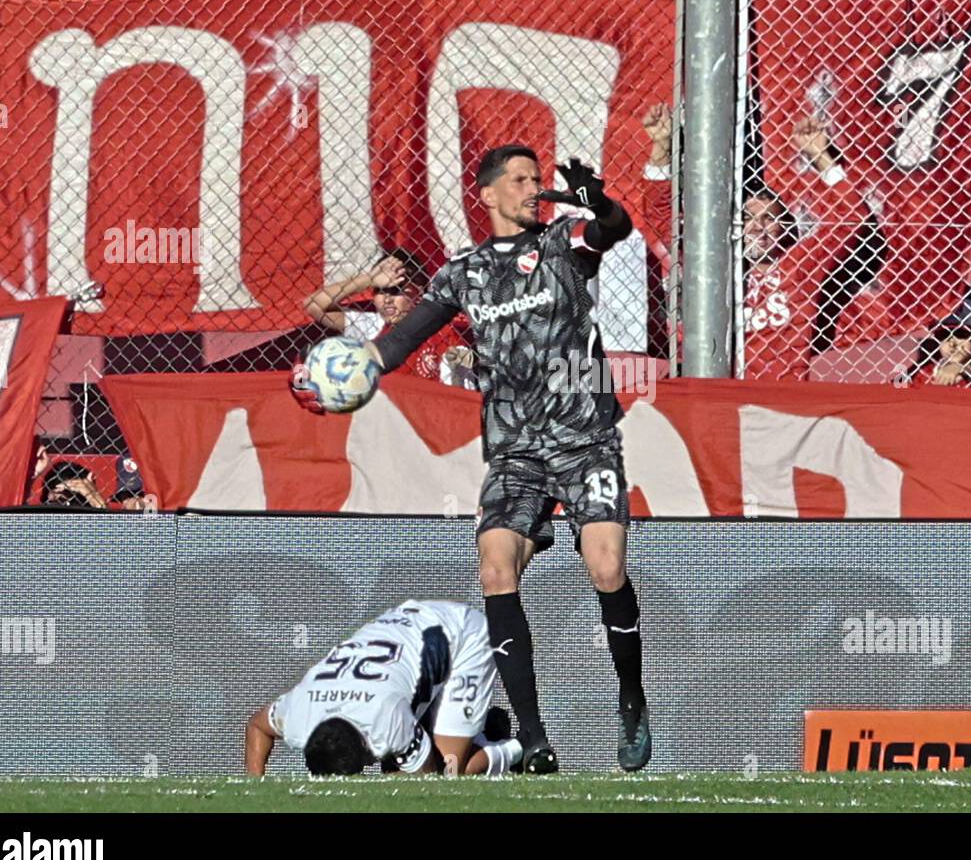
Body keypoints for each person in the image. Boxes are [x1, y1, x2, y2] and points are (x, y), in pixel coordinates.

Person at [290, 145, 651, 774]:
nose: (532, 187)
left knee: (605, 566)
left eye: (536, 179)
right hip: (516, 453)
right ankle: (534, 740)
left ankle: (631, 694)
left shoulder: (565, 242)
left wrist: (602, 203)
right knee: (495, 568)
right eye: (519, 180)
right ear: (486, 194)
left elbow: (612, 229)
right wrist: (361, 369)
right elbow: (404, 335)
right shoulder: (465, 271)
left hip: (584, 437)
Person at [640, 103, 863, 380]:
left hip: (778, 395)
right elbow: (660, 215)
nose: (759, 226)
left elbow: (851, 218)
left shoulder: (799, 266)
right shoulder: (712, 265)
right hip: (712, 389)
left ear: (784, 229)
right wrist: (662, 147)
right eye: (748, 217)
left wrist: (820, 155)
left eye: (770, 218)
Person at [245, 600, 523, 777]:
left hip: (462, 635)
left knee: (450, 769)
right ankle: (482, 730)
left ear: (367, 743)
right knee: (396, 763)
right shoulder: (297, 714)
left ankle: (517, 747)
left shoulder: (386, 721)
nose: (368, 767)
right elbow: (258, 726)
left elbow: (427, 784)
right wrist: (255, 788)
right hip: (406, 633)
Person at [303, 250, 476, 388]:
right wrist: (369, 279)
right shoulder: (373, 325)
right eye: (380, 290)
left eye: (396, 290)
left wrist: (458, 375)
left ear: (421, 292)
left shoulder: (442, 333)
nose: (387, 299)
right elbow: (314, 305)